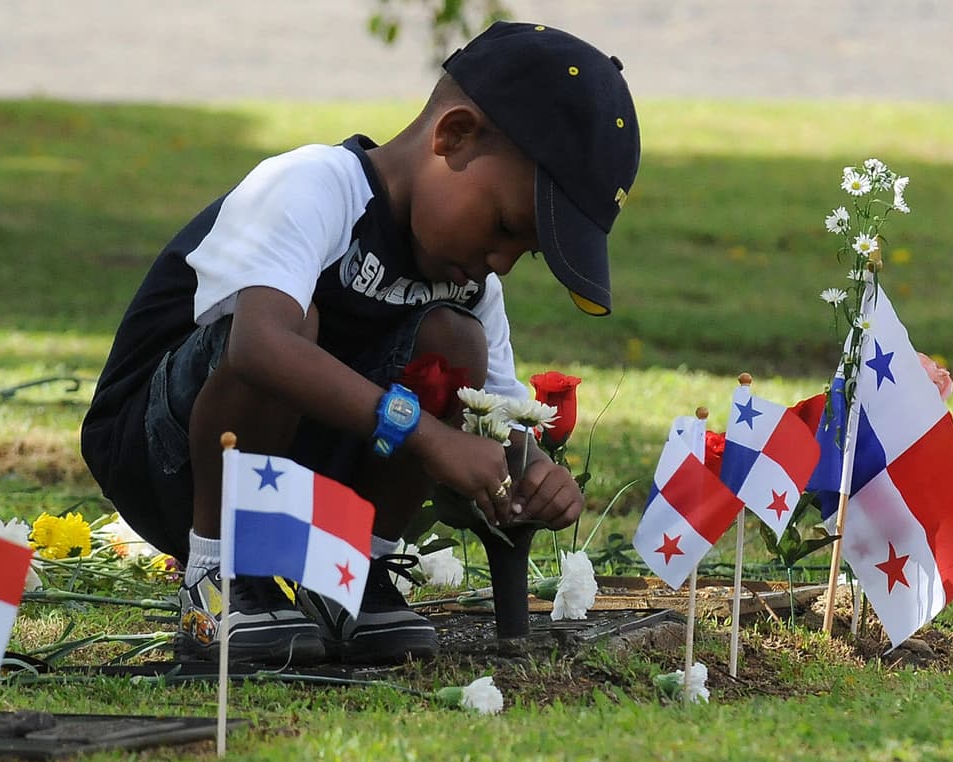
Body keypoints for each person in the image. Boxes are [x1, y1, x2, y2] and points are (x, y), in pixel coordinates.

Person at [80, 21, 641, 666]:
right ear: (453, 136)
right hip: (166, 456)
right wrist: (429, 437)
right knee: (292, 326)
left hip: (300, 462)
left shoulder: (468, 284)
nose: (503, 263)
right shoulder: (313, 186)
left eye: (525, 252)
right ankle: (220, 579)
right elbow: (257, 349)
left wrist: (538, 472)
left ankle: (349, 576)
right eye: (507, 226)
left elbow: (504, 416)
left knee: (454, 344)